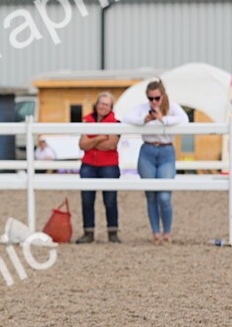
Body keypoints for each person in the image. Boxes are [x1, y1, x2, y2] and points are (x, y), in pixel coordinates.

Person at [122, 80, 188, 244]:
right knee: (150, 194)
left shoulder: (172, 107)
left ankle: (167, 232)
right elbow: (126, 117)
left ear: (163, 95)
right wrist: (143, 120)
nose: (154, 102)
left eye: (157, 98)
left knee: (164, 196)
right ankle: (155, 233)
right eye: (150, 98)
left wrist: (163, 119)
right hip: (148, 151)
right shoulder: (143, 108)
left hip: (166, 151)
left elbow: (184, 119)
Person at [76, 92, 121, 243]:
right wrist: (101, 137)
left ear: (111, 107)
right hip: (89, 164)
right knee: (87, 199)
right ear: (96, 104)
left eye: (106, 104)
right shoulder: (87, 120)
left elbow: (111, 144)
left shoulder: (115, 123)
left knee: (110, 200)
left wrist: (92, 140)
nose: (103, 107)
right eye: (101, 103)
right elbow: (82, 145)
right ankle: (88, 232)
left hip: (108, 165)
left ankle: (112, 232)